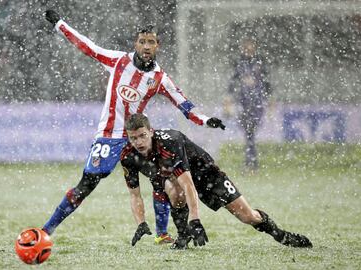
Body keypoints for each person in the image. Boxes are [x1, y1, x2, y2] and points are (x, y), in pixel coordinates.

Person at [42, 10, 226, 244]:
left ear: (158, 45)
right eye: (142, 41)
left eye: (151, 42)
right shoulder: (118, 61)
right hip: (109, 136)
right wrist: (60, 24)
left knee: (165, 179)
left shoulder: (159, 78)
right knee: (87, 185)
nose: (146, 46)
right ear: (135, 44)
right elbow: (88, 47)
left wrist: (205, 119)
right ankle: (47, 229)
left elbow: (183, 103)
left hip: (139, 137)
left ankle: (164, 234)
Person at [121, 113, 312, 249]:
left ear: (151, 132)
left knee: (248, 217)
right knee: (173, 190)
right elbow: (134, 195)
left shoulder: (170, 142)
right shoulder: (128, 156)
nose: (138, 142)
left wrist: (195, 220)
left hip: (207, 175)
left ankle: (280, 235)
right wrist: (140, 223)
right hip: (176, 180)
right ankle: (183, 236)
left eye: (142, 136)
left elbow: (189, 184)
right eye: (133, 138)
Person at [228, 38, 271, 170]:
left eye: (250, 46)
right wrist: (229, 97)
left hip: (257, 103)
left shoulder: (260, 62)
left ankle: (251, 162)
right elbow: (232, 81)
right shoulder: (240, 63)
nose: (248, 48)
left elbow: (268, 82)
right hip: (243, 103)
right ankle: (251, 162)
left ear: (254, 47)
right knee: (248, 132)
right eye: (245, 46)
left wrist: (269, 99)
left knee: (250, 132)